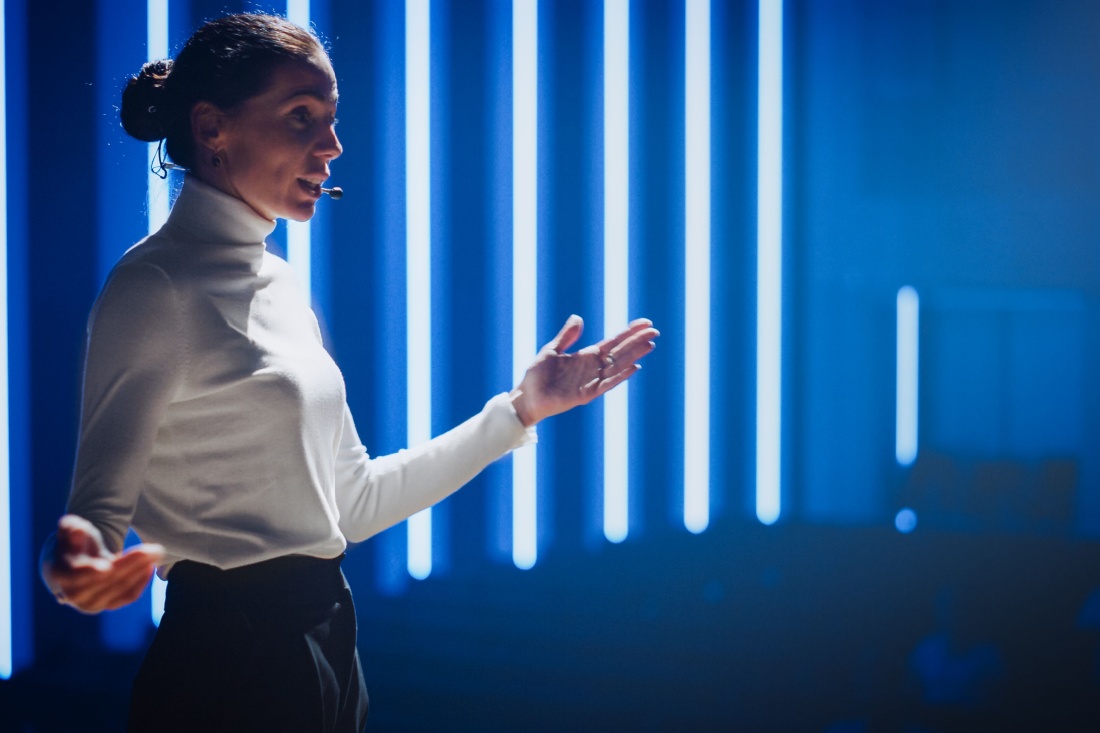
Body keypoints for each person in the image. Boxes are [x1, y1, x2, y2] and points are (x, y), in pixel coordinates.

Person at [37, 12, 657, 733]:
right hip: (226, 660)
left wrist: (519, 410)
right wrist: (75, 569)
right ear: (212, 128)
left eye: (332, 121)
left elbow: (354, 502)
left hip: (326, 637)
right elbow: (92, 520)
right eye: (302, 118)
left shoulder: (283, 283)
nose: (332, 148)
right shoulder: (153, 289)